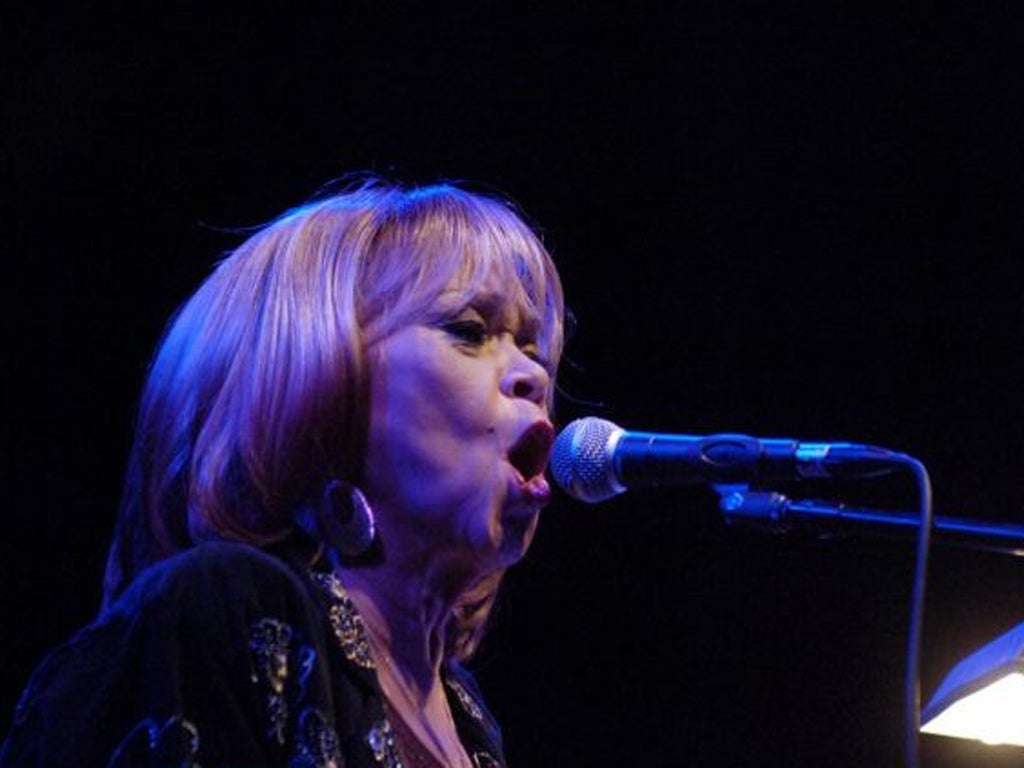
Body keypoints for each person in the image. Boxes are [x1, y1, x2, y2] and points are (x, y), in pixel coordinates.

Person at [1, 177, 565, 768]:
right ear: (313, 380)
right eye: (470, 331)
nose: (532, 375)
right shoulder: (227, 613)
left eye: (532, 347)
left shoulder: (469, 720)